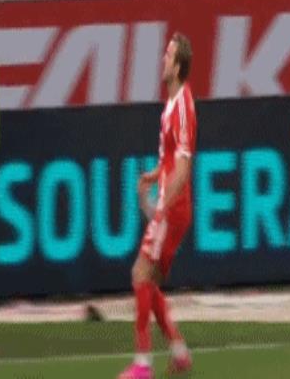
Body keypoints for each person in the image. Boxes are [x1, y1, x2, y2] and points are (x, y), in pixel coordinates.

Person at [118, 33, 197, 379]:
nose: (163, 59)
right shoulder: (172, 104)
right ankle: (178, 353)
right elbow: (170, 162)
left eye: (168, 55)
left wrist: (163, 205)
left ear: (177, 67)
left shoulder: (182, 108)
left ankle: (142, 365)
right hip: (172, 202)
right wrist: (152, 176)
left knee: (140, 273)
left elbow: (183, 168)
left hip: (173, 206)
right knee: (148, 281)